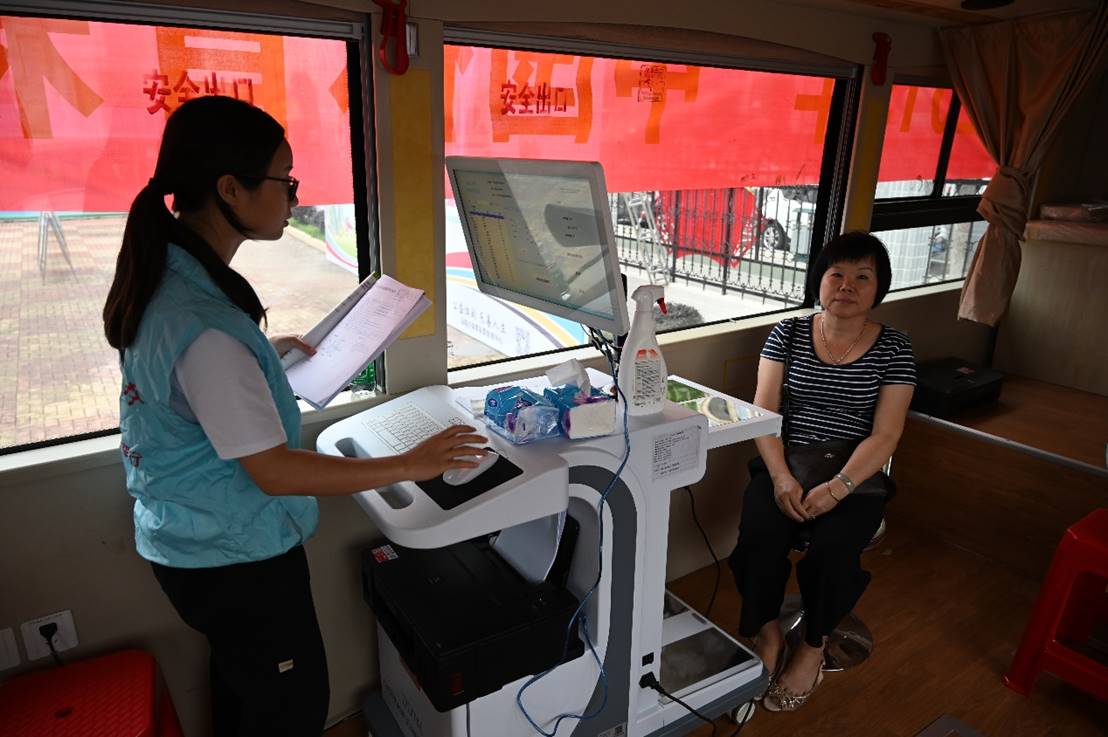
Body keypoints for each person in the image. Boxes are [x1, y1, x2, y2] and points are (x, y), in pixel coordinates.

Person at [102, 96, 487, 737]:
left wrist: (263, 359)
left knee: (246, 692)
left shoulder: (169, 277)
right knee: (288, 709)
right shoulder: (206, 327)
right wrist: (412, 463)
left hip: (190, 540)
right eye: (285, 181)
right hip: (233, 559)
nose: (292, 197)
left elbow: (189, 394)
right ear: (230, 188)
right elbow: (275, 471)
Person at [727, 231, 916, 712]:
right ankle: (767, 633)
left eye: (862, 277)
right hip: (788, 463)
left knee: (833, 551)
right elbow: (764, 413)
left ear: (879, 288)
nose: (847, 285)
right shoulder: (787, 333)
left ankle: (813, 644)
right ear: (820, 280)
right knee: (758, 536)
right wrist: (780, 478)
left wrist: (839, 487)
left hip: (856, 473)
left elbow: (886, 435)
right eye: (837, 274)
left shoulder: (895, 348)